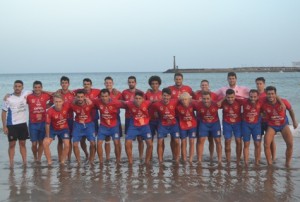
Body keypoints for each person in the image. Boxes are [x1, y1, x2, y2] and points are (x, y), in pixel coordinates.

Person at [262, 86, 298, 167]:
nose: (270, 96)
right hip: (272, 125)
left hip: (283, 124)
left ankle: (287, 164)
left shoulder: (283, 101)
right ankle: (270, 164)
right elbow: (258, 110)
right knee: (266, 144)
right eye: (268, 94)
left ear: (275, 94)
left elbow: (291, 110)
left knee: (290, 144)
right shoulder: (263, 103)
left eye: (272, 94)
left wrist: (294, 122)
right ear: (266, 94)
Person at [1, 80, 31, 168]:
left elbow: (38, 91)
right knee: (12, 144)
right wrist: (4, 126)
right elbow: (3, 112)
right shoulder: (8, 98)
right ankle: (11, 163)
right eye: (16, 86)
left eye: (19, 86)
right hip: (11, 125)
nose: (17, 88)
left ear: (22, 87)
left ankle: (25, 162)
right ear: (13, 87)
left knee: (22, 143)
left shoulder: (26, 93)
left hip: (22, 124)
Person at [94, 89, 123, 163]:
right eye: (102, 96)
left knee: (116, 143)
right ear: (100, 96)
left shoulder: (115, 102)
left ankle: (118, 160)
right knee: (99, 143)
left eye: (106, 96)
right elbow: (86, 99)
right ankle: (101, 161)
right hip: (103, 126)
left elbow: (128, 104)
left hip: (114, 126)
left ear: (109, 96)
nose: (104, 98)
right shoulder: (97, 101)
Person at [168, 73, 193, 160]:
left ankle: (184, 156)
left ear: (182, 79)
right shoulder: (170, 89)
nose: (178, 80)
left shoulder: (188, 88)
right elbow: (165, 99)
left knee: (183, 138)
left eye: (179, 79)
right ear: (174, 79)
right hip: (174, 116)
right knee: (174, 137)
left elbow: (193, 98)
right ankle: (174, 155)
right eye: (176, 79)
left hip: (184, 117)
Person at [123, 92, 153, 164]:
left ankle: (147, 161)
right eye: (136, 98)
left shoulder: (147, 103)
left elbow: (154, 101)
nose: (138, 100)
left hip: (145, 126)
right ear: (134, 99)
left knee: (150, 144)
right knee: (127, 143)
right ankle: (130, 161)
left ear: (143, 99)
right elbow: (120, 102)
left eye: (140, 98)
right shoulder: (129, 103)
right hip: (133, 126)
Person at [74, 78, 101, 160]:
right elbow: (66, 92)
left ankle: (92, 158)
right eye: (85, 84)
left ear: (91, 85)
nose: (86, 86)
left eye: (88, 84)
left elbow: (106, 94)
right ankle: (86, 153)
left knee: (93, 139)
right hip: (81, 120)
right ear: (83, 85)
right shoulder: (78, 91)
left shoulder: (97, 91)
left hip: (93, 119)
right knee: (82, 140)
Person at [152, 88, 180, 163]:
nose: (166, 97)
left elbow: (185, 98)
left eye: (167, 96)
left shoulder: (175, 101)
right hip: (162, 125)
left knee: (177, 141)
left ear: (170, 96)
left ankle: (177, 159)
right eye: (164, 95)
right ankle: (160, 160)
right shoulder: (157, 104)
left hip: (173, 124)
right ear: (162, 96)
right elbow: (151, 108)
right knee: (160, 142)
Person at [26, 81, 52, 162]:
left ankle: (39, 159)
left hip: (43, 122)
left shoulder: (45, 95)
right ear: (33, 88)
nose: (37, 89)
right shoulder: (29, 97)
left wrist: (47, 105)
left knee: (41, 142)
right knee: (34, 144)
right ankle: (35, 157)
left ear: (41, 88)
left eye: (39, 87)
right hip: (33, 123)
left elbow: (54, 96)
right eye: (35, 87)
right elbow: (20, 100)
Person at [193, 79, 218, 161]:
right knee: (199, 139)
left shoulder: (214, 95)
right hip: (200, 120)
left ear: (208, 86)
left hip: (212, 120)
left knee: (211, 139)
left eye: (206, 85)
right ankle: (198, 156)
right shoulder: (196, 94)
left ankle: (211, 156)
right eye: (202, 85)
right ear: (200, 86)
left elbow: (218, 105)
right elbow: (190, 102)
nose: (204, 86)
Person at [194, 91, 222, 164]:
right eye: (204, 99)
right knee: (201, 140)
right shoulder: (198, 104)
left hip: (215, 124)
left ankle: (219, 160)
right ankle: (199, 160)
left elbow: (226, 100)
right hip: (204, 123)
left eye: (207, 98)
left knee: (218, 141)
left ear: (211, 98)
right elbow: (189, 102)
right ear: (201, 99)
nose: (206, 100)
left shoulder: (216, 104)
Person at [122, 76, 145, 161]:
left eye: (132, 82)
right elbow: (120, 102)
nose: (131, 83)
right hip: (128, 118)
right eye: (129, 82)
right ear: (128, 83)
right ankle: (130, 157)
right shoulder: (124, 92)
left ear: (135, 83)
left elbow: (145, 104)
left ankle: (141, 156)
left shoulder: (141, 92)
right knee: (128, 139)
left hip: (139, 118)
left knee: (140, 139)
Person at [43, 94, 70, 165]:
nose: (58, 103)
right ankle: (49, 162)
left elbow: (75, 101)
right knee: (45, 143)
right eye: (56, 102)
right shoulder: (49, 111)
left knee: (67, 145)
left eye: (59, 101)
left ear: (63, 101)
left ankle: (62, 161)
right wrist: (48, 136)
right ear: (54, 102)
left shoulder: (66, 106)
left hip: (64, 128)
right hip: (53, 129)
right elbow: (47, 124)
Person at [71, 90, 96, 165]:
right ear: (76, 97)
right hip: (78, 125)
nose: (80, 98)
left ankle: (91, 160)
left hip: (89, 124)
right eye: (78, 97)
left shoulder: (90, 103)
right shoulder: (72, 104)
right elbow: (62, 103)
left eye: (82, 97)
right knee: (75, 144)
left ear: (84, 97)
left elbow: (100, 102)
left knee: (92, 143)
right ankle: (79, 162)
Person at [220, 89, 243, 164]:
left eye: (232, 97)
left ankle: (238, 160)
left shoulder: (239, 101)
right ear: (226, 97)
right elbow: (217, 104)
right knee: (227, 141)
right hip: (227, 123)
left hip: (237, 123)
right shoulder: (223, 102)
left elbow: (249, 100)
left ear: (235, 96)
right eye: (228, 97)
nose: (230, 99)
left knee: (238, 141)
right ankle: (228, 160)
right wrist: (224, 98)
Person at [55, 76, 75, 162]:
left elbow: (84, 91)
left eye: (66, 83)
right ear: (60, 84)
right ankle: (60, 158)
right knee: (60, 140)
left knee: (68, 140)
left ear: (68, 84)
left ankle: (69, 158)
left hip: (70, 120)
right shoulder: (58, 94)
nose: (64, 84)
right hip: (60, 120)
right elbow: (49, 96)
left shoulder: (72, 94)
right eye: (62, 83)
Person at [241, 89, 262, 166]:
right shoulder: (244, 101)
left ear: (258, 96)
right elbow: (232, 98)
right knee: (246, 144)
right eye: (251, 96)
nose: (253, 98)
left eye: (254, 97)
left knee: (257, 144)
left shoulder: (261, 102)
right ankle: (246, 162)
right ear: (248, 96)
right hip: (246, 125)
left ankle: (257, 162)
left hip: (256, 125)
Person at [103, 76, 122, 160]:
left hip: (116, 118)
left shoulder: (117, 93)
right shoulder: (102, 93)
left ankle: (118, 157)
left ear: (112, 84)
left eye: (110, 83)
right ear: (104, 84)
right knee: (107, 139)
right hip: (105, 119)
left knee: (117, 139)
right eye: (107, 83)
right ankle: (107, 157)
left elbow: (125, 102)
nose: (108, 84)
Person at [176, 92, 197, 163]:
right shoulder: (178, 107)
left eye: (186, 99)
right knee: (183, 142)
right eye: (182, 100)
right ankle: (184, 159)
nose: (184, 101)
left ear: (189, 100)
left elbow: (200, 106)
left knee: (192, 142)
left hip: (192, 125)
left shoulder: (193, 105)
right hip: (182, 126)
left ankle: (191, 159)